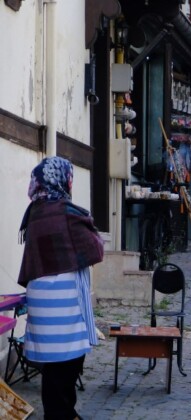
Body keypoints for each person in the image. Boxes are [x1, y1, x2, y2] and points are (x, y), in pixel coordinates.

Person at [17, 156, 103, 420]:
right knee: (69, 361)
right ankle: (62, 414)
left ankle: (64, 412)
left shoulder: (33, 212)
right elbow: (94, 249)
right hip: (64, 300)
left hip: (41, 299)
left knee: (54, 366)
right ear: (63, 179)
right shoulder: (66, 211)